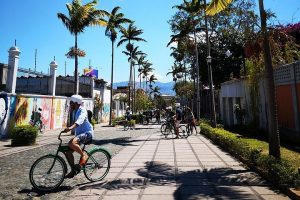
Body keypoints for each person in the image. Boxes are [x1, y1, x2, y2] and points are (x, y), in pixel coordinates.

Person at [62, 94, 94, 178]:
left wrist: (71, 128)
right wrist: (68, 128)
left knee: (72, 143)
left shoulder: (82, 110)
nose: (70, 104)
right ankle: (73, 170)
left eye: (71, 102)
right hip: (80, 135)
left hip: (87, 134)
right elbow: (74, 123)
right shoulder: (74, 111)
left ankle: (84, 155)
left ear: (75, 103)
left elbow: (80, 120)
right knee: (67, 152)